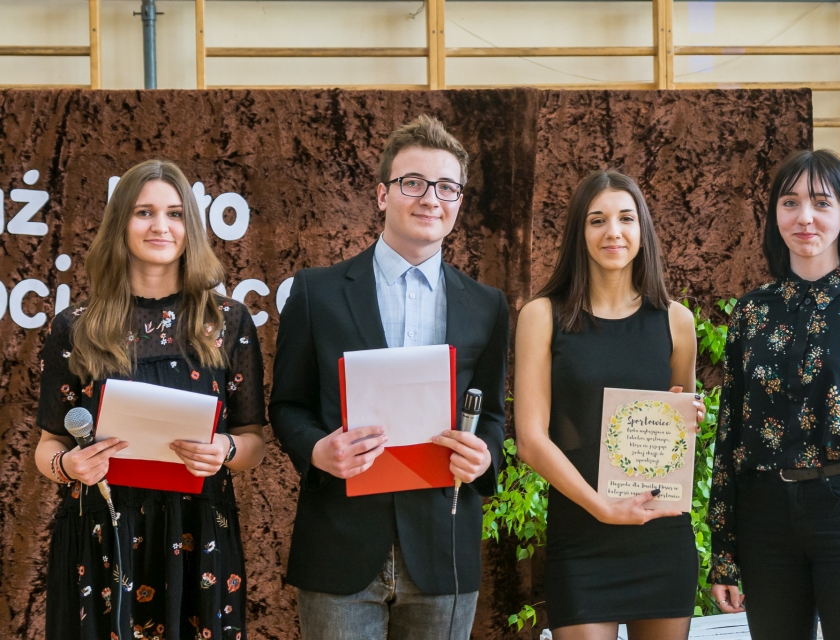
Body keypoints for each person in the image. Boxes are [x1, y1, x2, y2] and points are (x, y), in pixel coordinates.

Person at [270, 115, 509, 640]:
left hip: (443, 548)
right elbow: (286, 406)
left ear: (458, 201)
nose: (430, 199)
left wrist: (484, 455)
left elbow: (492, 413)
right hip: (340, 541)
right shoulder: (315, 293)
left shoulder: (487, 306)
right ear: (382, 194)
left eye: (446, 187)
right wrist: (317, 451)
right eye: (413, 183)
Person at [34, 159, 267, 640]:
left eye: (175, 214)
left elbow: (253, 443)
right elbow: (48, 444)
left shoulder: (228, 321)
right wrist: (68, 466)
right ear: (121, 223)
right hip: (100, 534)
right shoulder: (75, 326)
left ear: (191, 227)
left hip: (199, 535)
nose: (161, 226)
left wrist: (224, 450)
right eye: (144, 212)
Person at [708, 149, 840, 639]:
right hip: (764, 517)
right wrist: (725, 551)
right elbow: (730, 434)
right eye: (790, 203)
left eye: (821, 203)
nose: (804, 217)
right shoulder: (750, 313)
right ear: (775, 216)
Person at [513, 169, 705, 640]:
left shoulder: (677, 321)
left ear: (643, 230)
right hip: (582, 538)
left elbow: (678, 426)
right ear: (579, 233)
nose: (613, 232)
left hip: (661, 537)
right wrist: (601, 507)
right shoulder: (543, 316)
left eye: (626, 218)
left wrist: (689, 419)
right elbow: (531, 441)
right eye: (597, 220)